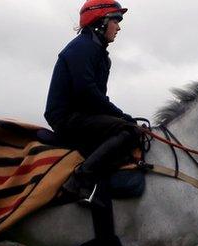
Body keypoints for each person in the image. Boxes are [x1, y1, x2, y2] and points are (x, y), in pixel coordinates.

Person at [44, 0, 140, 201]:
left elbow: (97, 98)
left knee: (129, 128)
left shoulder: (100, 54)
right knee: (127, 131)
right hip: (67, 118)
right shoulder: (82, 48)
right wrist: (121, 116)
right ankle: (80, 180)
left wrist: (120, 116)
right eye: (116, 20)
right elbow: (87, 93)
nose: (119, 27)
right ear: (101, 21)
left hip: (82, 114)